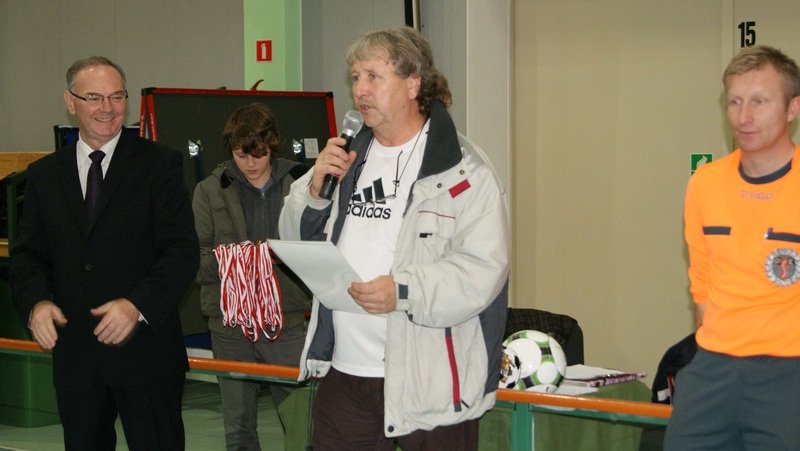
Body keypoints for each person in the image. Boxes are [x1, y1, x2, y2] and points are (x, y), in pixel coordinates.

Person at [279, 27, 510, 450]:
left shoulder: (463, 170)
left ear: (413, 84)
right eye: (355, 77)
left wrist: (402, 290)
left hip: (431, 376)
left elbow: (482, 271)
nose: (360, 90)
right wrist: (313, 193)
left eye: (373, 76)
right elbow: (292, 238)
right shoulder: (345, 158)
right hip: (347, 372)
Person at [10, 56, 199, 450]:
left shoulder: (159, 164)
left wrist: (136, 305)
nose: (107, 108)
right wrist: (36, 304)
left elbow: (181, 251)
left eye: (116, 96)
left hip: (146, 354)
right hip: (76, 358)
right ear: (70, 101)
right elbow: (27, 256)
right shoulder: (44, 175)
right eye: (94, 97)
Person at [664, 45, 800, 450]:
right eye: (735, 102)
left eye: (759, 101)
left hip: (788, 372)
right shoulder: (704, 184)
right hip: (712, 369)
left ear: (792, 108)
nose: (744, 117)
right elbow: (702, 287)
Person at [192, 103, 311, 450]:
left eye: (258, 154)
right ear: (230, 149)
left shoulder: (301, 184)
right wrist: (241, 259)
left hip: (286, 322)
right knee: (239, 427)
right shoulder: (208, 190)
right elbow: (195, 263)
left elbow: (319, 250)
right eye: (241, 155)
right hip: (229, 326)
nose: (251, 163)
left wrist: (278, 257)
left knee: (302, 423)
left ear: (272, 144)